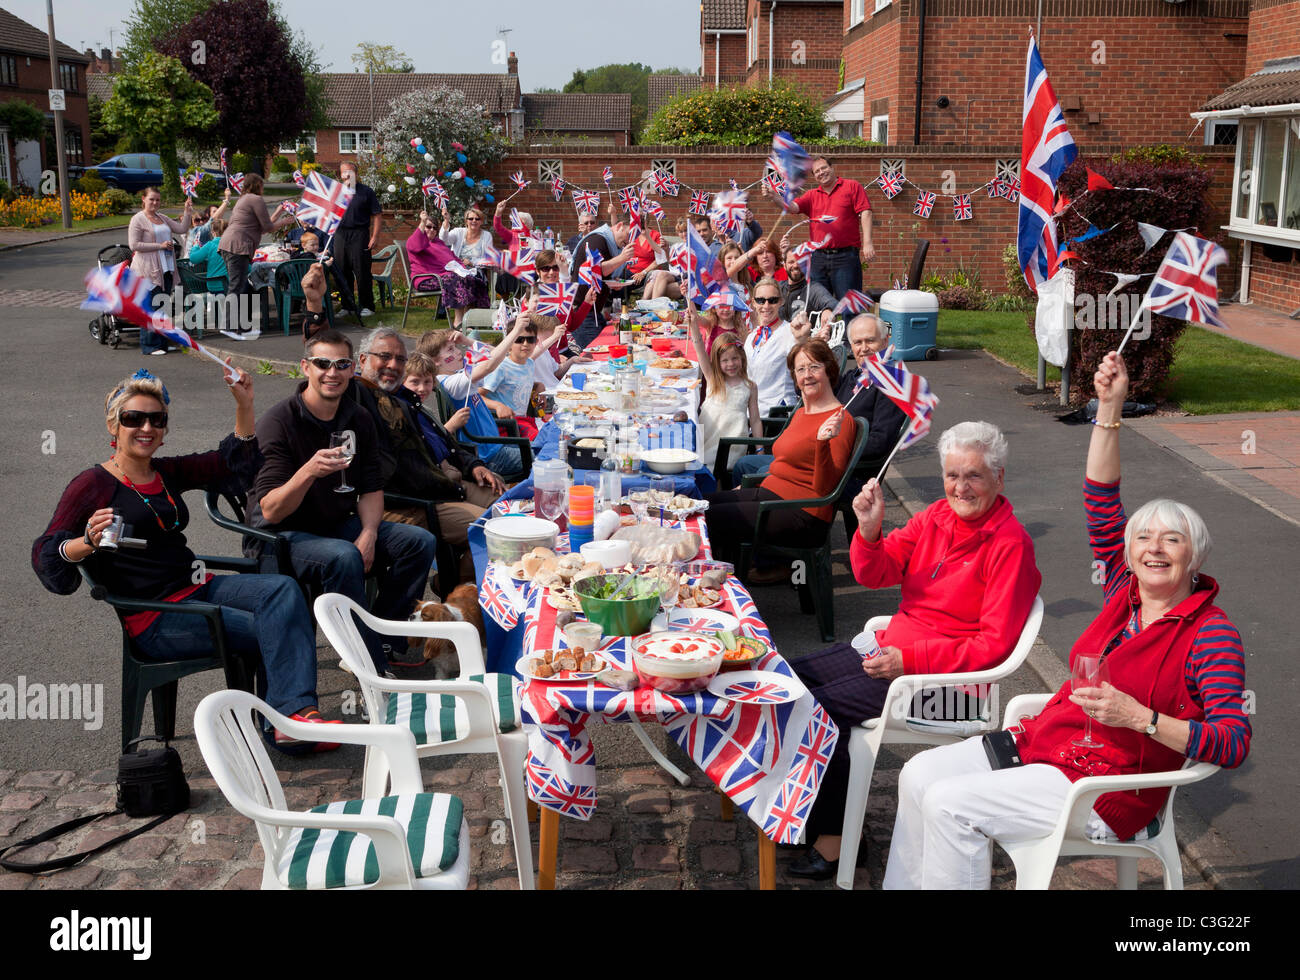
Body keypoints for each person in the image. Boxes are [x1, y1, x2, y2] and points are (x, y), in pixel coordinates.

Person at [882, 355, 1251, 888]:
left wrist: (1141, 718)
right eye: (1143, 538)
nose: (1154, 548)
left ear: (1195, 558)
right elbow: (1101, 501)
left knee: (948, 804)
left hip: (1109, 788)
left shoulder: (1211, 634)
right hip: (1048, 746)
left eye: (1173, 539)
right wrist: (1108, 408)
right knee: (917, 773)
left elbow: (1232, 740)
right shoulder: (1125, 593)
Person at [783, 420, 1042, 879]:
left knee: (815, 709)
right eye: (952, 475)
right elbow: (875, 573)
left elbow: (993, 647)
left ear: (999, 478)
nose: (960, 487)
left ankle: (837, 838)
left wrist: (911, 661)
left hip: (949, 688)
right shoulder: (935, 517)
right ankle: (812, 811)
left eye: (974, 476)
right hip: (890, 656)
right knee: (786, 682)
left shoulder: (1010, 546)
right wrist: (868, 530)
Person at [32, 368, 341, 751]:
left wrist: (244, 404)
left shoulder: (164, 472)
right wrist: (87, 542)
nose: (146, 427)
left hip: (195, 588)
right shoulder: (92, 484)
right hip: (155, 617)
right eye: (133, 419)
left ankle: (288, 718)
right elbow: (47, 552)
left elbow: (230, 462)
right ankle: (291, 722)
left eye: (156, 420)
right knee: (272, 627)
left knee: (282, 591)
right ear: (114, 426)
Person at [245, 329, 438, 675]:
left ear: (353, 369)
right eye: (322, 364)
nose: (332, 373)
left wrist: (368, 533)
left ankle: (380, 637)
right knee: (344, 555)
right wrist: (309, 472)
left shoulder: (356, 417)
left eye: (341, 364)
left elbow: (371, 487)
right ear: (306, 367)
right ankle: (368, 665)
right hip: (281, 535)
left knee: (418, 542)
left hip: (334, 524)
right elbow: (271, 510)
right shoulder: (280, 422)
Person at [351, 328, 504, 596]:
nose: (393, 365)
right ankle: (458, 595)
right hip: (416, 499)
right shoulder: (359, 399)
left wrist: (472, 466)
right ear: (362, 361)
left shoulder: (404, 403)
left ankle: (457, 585)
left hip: (441, 484)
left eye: (399, 360)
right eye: (384, 357)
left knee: (510, 507)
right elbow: (405, 473)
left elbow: (446, 444)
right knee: (495, 532)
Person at [704, 338, 856, 571]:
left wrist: (823, 444)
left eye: (814, 367)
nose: (807, 375)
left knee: (708, 520)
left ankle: (717, 585)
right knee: (700, 506)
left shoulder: (840, 421)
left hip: (803, 513)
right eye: (801, 369)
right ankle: (725, 573)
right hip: (771, 493)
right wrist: (746, 489)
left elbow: (825, 489)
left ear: (829, 369)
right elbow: (784, 464)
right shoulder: (803, 412)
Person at [730, 312, 906, 489]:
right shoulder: (852, 377)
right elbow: (806, 388)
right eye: (858, 342)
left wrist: (826, 446)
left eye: (870, 341)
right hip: (813, 454)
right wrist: (802, 343)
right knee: (744, 464)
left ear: (885, 342)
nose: (864, 348)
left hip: (845, 471)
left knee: (761, 471)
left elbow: (879, 443)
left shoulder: (891, 385)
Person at [418, 317, 531, 481]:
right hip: (490, 458)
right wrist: (516, 331)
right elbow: (490, 364)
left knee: (546, 448)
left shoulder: (457, 376)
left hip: (496, 448)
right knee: (547, 459)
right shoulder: (452, 383)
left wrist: (467, 340)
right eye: (450, 350)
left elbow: (494, 354)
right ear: (435, 361)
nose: (458, 352)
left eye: (456, 348)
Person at [768, 155, 874, 298]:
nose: (821, 172)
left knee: (848, 305)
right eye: (817, 171)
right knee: (818, 304)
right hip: (818, 258)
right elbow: (793, 207)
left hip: (845, 257)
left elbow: (866, 212)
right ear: (814, 176)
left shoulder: (852, 186)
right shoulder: (812, 195)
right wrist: (776, 198)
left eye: (824, 168)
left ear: (832, 168)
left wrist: (868, 242)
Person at [130, 186, 194, 355]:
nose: (155, 202)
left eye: (158, 199)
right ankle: (150, 345)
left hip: (166, 267)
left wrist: (187, 212)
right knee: (151, 307)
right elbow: (134, 245)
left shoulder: (162, 217)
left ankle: (162, 343)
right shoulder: (138, 219)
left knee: (163, 306)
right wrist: (160, 245)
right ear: (143, 199)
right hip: (147, 270)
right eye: (151, 199)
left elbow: (181, 229)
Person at [218, 173, 297, 301]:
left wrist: (277, 213)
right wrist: (284, 222)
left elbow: (260, 228)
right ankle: (229, 321)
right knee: (236, 289)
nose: (263, 189)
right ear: (257, 185)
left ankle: (236, 320)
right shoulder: (256, 199)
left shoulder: (243, 199)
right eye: (262, 186)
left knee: (238, 288)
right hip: (238, 246)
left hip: (229, 244)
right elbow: (268, 227)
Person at [694, 331, 761, 477]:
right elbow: (699, 348)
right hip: (709, 438)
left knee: (722, 474)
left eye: (735, 358)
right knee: (703, 472)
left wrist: (759, 448)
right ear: (717, 362)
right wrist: (693, 324)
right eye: (725, 360)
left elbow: (755, 420)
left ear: (742, 358)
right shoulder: (713, 380)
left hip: (733, 444)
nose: (731, 364)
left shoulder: (750, 387)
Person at [407, 209, 481, 329]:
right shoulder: (416, 241)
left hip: (442, 276)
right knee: (455, 279)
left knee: (471, 278)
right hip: (425, 278)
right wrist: (422, 221)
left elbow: (453, 258)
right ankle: (458, 322)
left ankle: (469, 320)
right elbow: (415, 246)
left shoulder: (438, 243)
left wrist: (464, 270)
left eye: (434, 228)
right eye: (428, 226)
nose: (431, 229)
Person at [745, 276, 809, 414]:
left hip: (775, 415)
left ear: (781, 302)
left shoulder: (790, 332)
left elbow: (802, 361)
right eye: (761, 300)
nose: (766, 306)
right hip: (750, 411)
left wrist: (802, 339)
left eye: (772, 300)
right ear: (753, 303)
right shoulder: (751, 337)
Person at [569, 219, 636, 348]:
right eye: (629, 235)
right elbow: (593, 270)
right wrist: (622, 257)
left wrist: (612, 282)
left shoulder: (609, 243)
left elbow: (601, 276)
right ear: (620, 226)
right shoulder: (598, 240)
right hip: (583, 312)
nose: (628, 241)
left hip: (594, 311)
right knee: (594, 356)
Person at [332, 160, 383, 318]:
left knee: (362, 271)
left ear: (356, 174)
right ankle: (347, 306)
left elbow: (377, 215)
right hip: (339, 234)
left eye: (350, 172)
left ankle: (367, 306)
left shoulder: (366, 192)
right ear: (340, 175)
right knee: (342, 271)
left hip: (359, 234)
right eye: (344, 172)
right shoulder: (336, 191)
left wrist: (374, 236)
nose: (347, 175)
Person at [437, 203, 494, 319]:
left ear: (481, 221)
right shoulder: (458, 232)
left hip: (476, 270)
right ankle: (462, 319)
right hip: (457, 270)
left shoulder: (487, 236)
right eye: (471, 218)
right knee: (458, 279)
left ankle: (466, 318)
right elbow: (443, 240)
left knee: (469, 279)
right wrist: (446, 221)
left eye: (477, 219)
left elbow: (489, 258)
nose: (474, 221)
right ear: (466, 221)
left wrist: (473, 263)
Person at [777, 243, 837, 323]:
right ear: (784, 265)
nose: (795, 265)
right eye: (791, 262)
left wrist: (828, 310)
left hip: (805, 334)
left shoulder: (813, 288)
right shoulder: (777, 288)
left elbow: (832, 303)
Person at [182, 191, 231, 258]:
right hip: (192, 265)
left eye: (203, 219)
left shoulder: (216, 230)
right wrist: (227, 200)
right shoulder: (195, 231)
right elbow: (214, 219)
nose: (201, 222)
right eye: (197, 220)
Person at [187, 217, 229, 286]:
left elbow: (193, 259)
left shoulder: (210, 245)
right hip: (232, 285)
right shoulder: (233, 244)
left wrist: (195, 246)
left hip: (214, 284)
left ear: (213, 232)